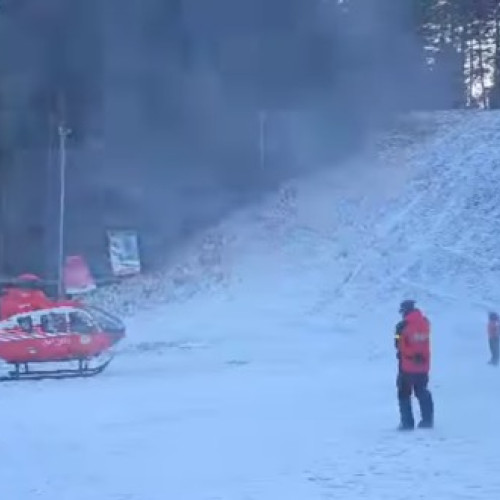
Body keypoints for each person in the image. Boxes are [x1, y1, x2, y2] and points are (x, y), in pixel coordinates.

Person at [394, 299, 434, 430]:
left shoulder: (401, 326)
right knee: (422, 391)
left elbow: (397, 344)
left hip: (407, 366)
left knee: (404, 394)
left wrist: (397, 337)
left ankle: (407, 423)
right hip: (423, 366)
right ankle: (427, 421)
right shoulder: (426, 323)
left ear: (404, 311)